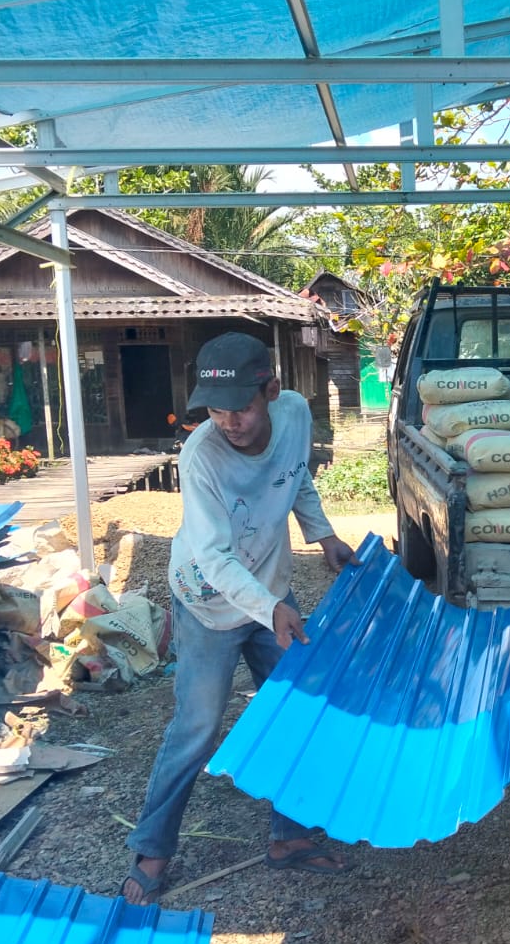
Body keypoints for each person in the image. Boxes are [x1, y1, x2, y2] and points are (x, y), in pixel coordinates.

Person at [122, 332, 357, 903]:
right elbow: (215, 556)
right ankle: (152, 850)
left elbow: (295, 475)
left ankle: (290, 836)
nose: (229, 421)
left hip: (271, 592)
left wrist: (321, 534)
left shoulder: (297, 414)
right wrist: (271, 607)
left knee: (297, 709)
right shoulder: (200, 455)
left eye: (242, 408)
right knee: (197, 729)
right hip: (208, 601)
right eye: (217, 410)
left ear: (272, 391)